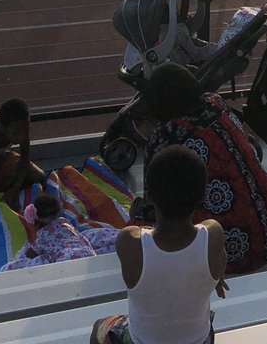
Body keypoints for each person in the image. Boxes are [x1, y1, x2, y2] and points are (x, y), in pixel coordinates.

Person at [141, 63, 267, 275]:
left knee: (146, 218)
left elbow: (153, 206)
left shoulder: (167, 136)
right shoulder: (217, 103)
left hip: (235, 250)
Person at [90, 145, 227, 344]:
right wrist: (218, 276)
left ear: (148, 198)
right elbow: (218, 253)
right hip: (199, 340)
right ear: (202, 197)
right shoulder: (213, 234)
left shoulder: (130, 242)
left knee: (99, 326)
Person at [0, 192, 100, 270]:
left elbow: (31, 254)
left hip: (67, 258)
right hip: (86, 252)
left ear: (35, 222)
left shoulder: (42, 237)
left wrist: (27, 251)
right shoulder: (64, 222)